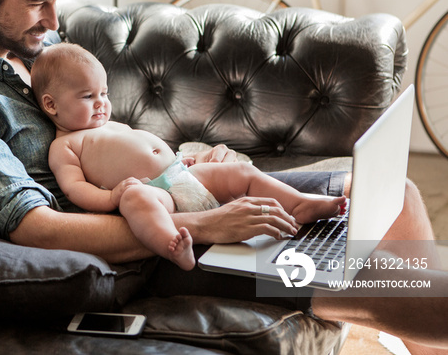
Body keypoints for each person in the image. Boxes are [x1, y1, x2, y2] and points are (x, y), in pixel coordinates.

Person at [0, 0, 448, 353]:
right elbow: (37, 229)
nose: (53, 21)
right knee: (391, 284)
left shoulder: (38, 48)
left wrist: (182, 164)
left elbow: (105, 136)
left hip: (172, 194)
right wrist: (207, 225)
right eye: (36, 4)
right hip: (148, 244)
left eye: (56, 1)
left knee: (393, 195)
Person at [30, 42, 346, 271]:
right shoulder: (65, 146)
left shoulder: (108, 124)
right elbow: (75, 189)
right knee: (135, 201)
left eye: (104, 93)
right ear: (51, 105)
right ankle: (172, 245)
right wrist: (113, 196)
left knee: (242, 175)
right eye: (88, 96)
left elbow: (149, 149)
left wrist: (183, 163)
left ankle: (299, 203)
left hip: (181, 175)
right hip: (156, 192)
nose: (101, 103)